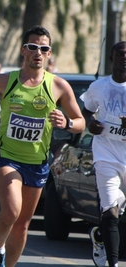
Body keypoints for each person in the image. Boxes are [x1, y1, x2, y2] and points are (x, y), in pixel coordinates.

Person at [0, 25, 85, 267]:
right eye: (33, 47)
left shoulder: (59, 86)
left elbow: (81, 123)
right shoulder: (4, 81)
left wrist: (67, 122)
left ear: (49, 53)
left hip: (38, 162)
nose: (38, 52)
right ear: (23, 50)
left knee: (22, 223)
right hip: (5, 156)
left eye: (43, 48)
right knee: (11, 211)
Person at [81, 41, 126, 267]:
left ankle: (99, 237)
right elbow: (86, 110)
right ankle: (114, 264)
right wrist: (90, 124)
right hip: (106, 155)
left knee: (118, 209)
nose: (124, 57)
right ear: (112, 58)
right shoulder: (99, 86)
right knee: (110, 212)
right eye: (120, 54)